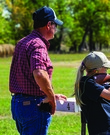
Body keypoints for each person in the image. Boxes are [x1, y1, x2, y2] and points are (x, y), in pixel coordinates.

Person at [9, 6, 67, 135]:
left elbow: (26, 78)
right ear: (48, 25)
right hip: (34, 107)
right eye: (55, 25)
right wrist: (50, 97)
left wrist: (50, 94)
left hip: (18, 104)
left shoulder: (22, 42)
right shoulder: (38, 44)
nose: (56, 29)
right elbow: (39, 73)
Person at [74, 51, 110, 135]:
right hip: (104, 130)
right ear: (96, 70)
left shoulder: (104, 83)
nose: (107, 71)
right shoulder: (86, 82)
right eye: (106, 68)